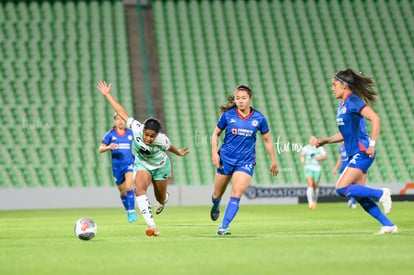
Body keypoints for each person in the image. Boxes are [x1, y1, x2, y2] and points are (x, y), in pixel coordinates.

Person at [97, 80, 190, 237]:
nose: (147, 138)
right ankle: (152, 226)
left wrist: (178, 153)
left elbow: (170, 147)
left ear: (157, 135)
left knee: (160, 197)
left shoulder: (162, 140)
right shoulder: (136, 128)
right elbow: (121, 111)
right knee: (139, 190)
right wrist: (107, 94)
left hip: (161, 167)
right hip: (143, 164)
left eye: (151, 136)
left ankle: (163, 200)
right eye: (146, 134)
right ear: (143, 130)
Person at [316, 68, 397, 234]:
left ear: (344, 85)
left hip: (363, 153)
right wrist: (327, 140)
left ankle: (382, 193)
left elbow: (375, 118)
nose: (332, 88)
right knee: (361, 197)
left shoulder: (353, 101)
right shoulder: (343, 105)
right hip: (355, 154)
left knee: (340, 188)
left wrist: (372, 144)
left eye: (334, 84)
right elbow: (346, 133)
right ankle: (389, 225)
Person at [210, 85, 279, 236]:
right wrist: (214, 153)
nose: (240, 101)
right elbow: (215, 135)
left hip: (245, 162)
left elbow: (267, 140)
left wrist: (273, 160)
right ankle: (215, 206)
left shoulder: (259, 118)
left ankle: (223, 226)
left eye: (243, 98)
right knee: (216, 195)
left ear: (250, 99)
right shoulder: (228, 116)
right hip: (225, 160)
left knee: (236, 194)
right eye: (237, 98)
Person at [100, 113, 137, 222]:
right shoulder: (110, 135)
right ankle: (128, 210)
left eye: (122, 119)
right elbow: (100, 149)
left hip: (129, 163)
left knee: (129, 186)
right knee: (123, 192)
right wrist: (108, 147)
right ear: (114, 121)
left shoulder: (130, 133)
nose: (120, 121)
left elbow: (140, 143)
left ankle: (132, 211)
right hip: (117, 167)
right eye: (117, 119)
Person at [300, 135, 327, 210]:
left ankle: (314, 201)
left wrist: (319, 158)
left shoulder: (320, 148)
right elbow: (302, 156)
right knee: (310, 184)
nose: (312, 140)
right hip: (308, 167)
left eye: (314, 139)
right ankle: (310, 202)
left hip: (317, 168)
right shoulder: (305, 148)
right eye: (311, 139)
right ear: (309, 140)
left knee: (315, 186)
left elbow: (325, 156)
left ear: (316, 140)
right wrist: (302, 160)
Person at [332, 143, 357, 209]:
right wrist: (336, 168)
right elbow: (340, 159)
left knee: (351, 185)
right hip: (342, 169)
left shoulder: (352, 146)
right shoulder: (341, 147)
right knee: (340, 187)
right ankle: (351, 199)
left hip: (350, 169)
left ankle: (353, 202)